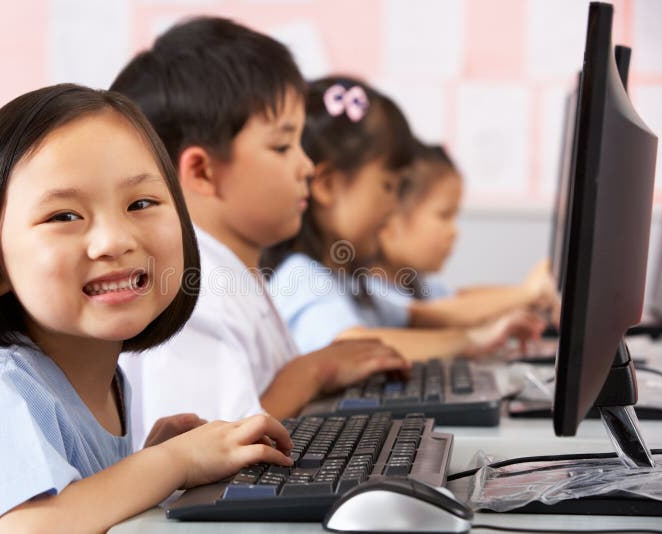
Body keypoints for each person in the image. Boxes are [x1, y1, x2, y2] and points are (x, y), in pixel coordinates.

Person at [0, 84, 292, 533]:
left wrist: (147, 462)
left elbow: (83, 507)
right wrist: (174, 463)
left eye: (141, 203)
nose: (114, 241)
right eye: (64, 216)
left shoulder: (111, 383)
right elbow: (28, 528)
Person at [111, 17, 409, 449]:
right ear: (203, 170)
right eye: (283, 146)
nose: (305, 166)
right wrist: (310, 373)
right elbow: (210, 453)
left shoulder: (227, 269)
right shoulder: (189, 294)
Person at [264, 76, 545, 360]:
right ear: (327, 186)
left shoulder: (348, 282)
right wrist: (470, 337)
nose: (394, 206)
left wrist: (490, 328)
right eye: (388, 186)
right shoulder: (299, 276)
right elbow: (347, 347)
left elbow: (423, 316)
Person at [370, 143, 558, 328]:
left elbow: (457, 299)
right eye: (444, 215)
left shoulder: (413, 283)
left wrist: (533, 296)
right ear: (390, 218)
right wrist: (526, 293)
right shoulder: (368, 289)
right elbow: (434, 314)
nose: (455, 231)